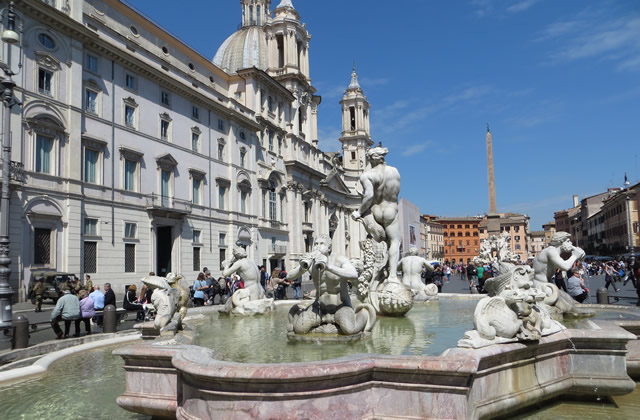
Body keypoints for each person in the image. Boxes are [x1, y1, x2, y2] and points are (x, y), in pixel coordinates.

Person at [351, 144, 402, 283]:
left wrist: (359, 212)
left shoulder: (367, 175)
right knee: (394, 242)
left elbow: (368, 196)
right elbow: (396, 192)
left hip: (376, 211)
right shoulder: (395, 172)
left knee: (373, 241)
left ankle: (374, 274)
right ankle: (392, 276)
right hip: (391, 210)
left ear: (371, 159)